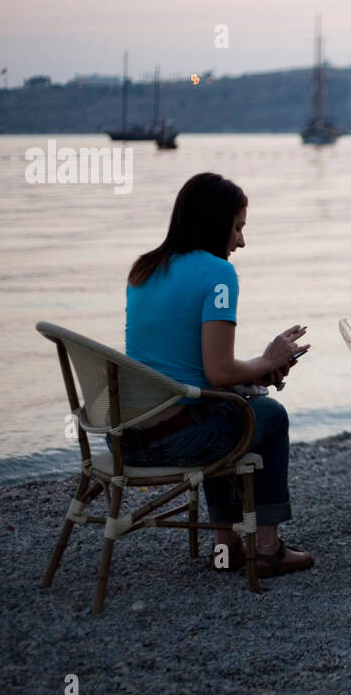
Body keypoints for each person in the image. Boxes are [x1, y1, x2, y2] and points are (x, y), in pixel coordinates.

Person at [122, 172, 314, 576]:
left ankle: (225, 549)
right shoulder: (218, 274)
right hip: (178, 442)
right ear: (216, 223)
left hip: (128, 439)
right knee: (270, 416)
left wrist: (255, 375)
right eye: (238, 227)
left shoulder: (144, 270)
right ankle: (267, 548)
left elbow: (192, 372)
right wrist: (269, 359)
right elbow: (219, 370)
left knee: (226, 409)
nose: (241, 241)